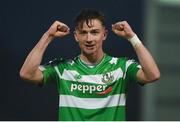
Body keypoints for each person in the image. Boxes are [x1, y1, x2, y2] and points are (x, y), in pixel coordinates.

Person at [20, 8, 160, 121]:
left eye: (94, 32)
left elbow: (152, 75)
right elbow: (27, 73)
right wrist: (48, 36)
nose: (89, 39)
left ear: (104, 35)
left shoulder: (121, 67)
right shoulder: (63, 68)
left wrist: (132, 37)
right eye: (83, 33)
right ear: (76, 36)